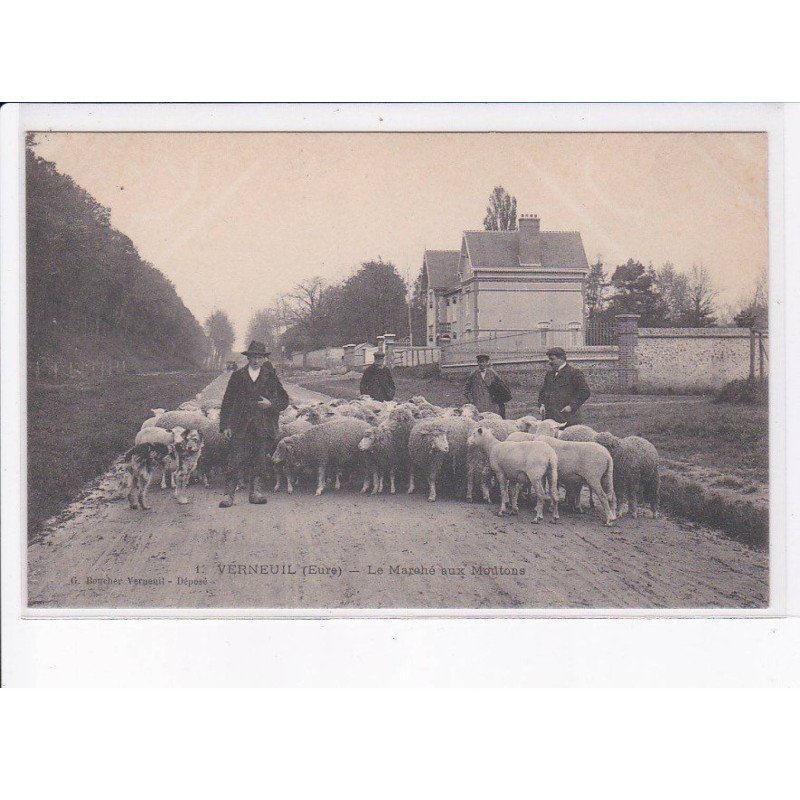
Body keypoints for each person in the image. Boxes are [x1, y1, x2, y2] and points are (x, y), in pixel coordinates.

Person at [218, 340, 290, 508]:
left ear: (264, 359)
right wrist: (225, 425)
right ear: (248, 358)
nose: (256, 361)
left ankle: (255, 492)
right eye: (253, 357)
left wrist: (271, 404)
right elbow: (227, 401)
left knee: (259, 459)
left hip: (262, 425)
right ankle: (229, 494)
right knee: (235, 459)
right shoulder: (237, 376)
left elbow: (284, 400)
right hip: (240, 425)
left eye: (260, 357)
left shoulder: (270, 376)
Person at [537, 346, 590, 426]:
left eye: (552, 359)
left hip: (568, 418)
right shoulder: (549, 374)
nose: (549, 362)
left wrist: (571, 406)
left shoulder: (574, 373)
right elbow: (543, 392)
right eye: (549, 359)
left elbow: (585, 392)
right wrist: (542, 405)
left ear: (561, 358)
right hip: (550, 419)